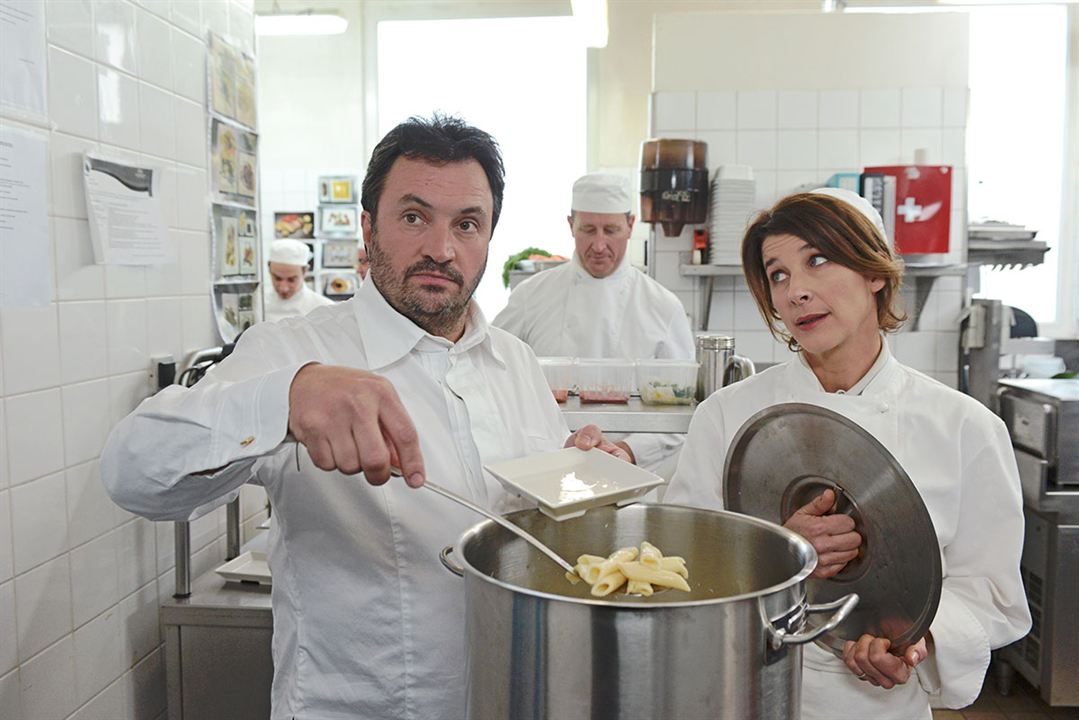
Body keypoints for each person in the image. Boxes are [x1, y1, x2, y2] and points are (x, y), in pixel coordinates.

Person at [101, 115, 628, 720]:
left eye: (466, 224)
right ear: (369, 228)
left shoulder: (516, 363)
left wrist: (581, 477)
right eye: (413, 217)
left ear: (489, 238)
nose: (441, 248)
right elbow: (132, 473)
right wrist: (285, 401)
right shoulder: (295, 352)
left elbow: (528, 529)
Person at [663, 188, 1031, 720]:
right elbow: (681, 566)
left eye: (818, 260)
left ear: (874, 271)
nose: (795, 293)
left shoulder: (964, 428)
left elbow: (992, 592)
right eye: (778, 274)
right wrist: (777, 553)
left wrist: (915, 641)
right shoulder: (726, 416)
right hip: (741, 691)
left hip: (876, 706)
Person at [493, 172, 695, 474]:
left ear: (629, 226)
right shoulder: (530, 297)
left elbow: (683, 408)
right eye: (588, 229)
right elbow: (492, 377)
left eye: (611, 230)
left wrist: (627, 451)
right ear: (570, 224)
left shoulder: (663, 307)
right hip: (545, 465)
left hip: (628, 474)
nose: (599, 245)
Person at [263, 238, 334, 322]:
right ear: (269, 270)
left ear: (305, 271)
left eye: (291, 280)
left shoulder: (324, 308)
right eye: (277, 278)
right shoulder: (258, 303)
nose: (283, 288)